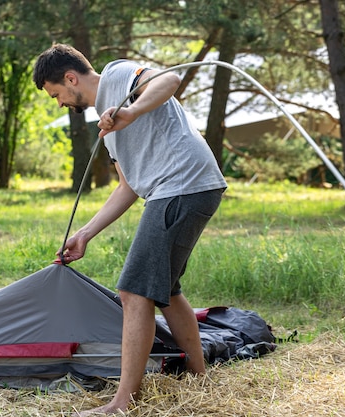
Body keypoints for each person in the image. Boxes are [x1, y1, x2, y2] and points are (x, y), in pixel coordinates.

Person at [32, 44, 227, 416]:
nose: (58, 103)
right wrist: (85, 233)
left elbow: (169, 79)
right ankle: (200, 378)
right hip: (183, 189)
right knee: (167, 290)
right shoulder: (108, 128)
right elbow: (129, 187)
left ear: (71, 78)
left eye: (56, 94)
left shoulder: (118, 76)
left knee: (133, 291)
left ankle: (122, 403)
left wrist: (131, 111)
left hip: (183, 184)